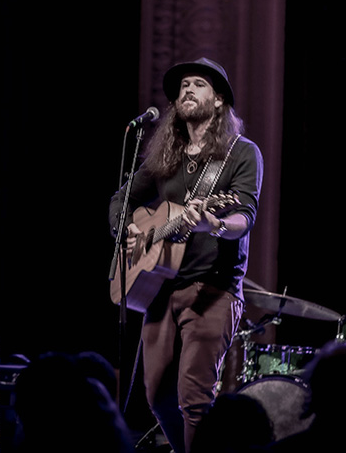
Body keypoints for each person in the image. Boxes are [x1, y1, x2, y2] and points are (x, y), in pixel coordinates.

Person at [109, 57, 264, 453]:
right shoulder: (167, 155)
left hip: (213, 290)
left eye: (198, 84)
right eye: (183, 87)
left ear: (219, 100)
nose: (187, 91)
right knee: (157, 394)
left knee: (194, 398)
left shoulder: (241, 154)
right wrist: (128, 230)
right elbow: (122, 199)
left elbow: (244, 217)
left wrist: (212, 224)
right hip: (162, 290)